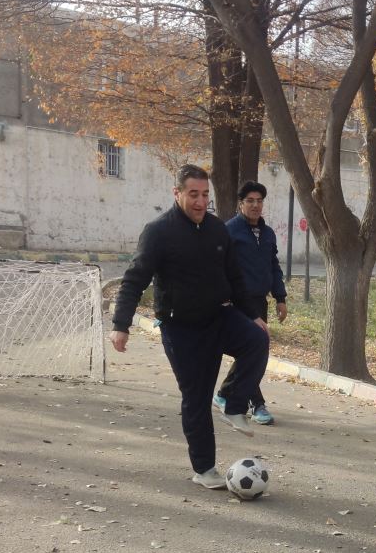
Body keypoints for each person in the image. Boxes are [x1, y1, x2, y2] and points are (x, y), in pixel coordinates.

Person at [109, 164, 270, 491]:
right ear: (177, 193)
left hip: (219, 317)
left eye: (205, 194)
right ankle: (204, 469)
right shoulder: (158, 232)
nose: (200, 202)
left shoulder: (217, 229)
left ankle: (233, 404)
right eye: (193, 194)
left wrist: (253, 315)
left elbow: (235, 278)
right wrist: (120, 324)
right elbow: (134, 280)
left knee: (257, 339)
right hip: (181, 330)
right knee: (196, 399)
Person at [216, 181, 288, 424]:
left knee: (254, 351)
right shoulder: (229, 230)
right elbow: (220, 266)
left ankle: (225, 393)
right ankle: (256, 404)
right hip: (238, 302)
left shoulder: (268, 234)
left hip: (259, 301)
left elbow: (273, 266)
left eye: (259, 201)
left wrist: (280, 297)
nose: (255, 205)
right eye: (250, 201)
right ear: (241, 204)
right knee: (254, 350)